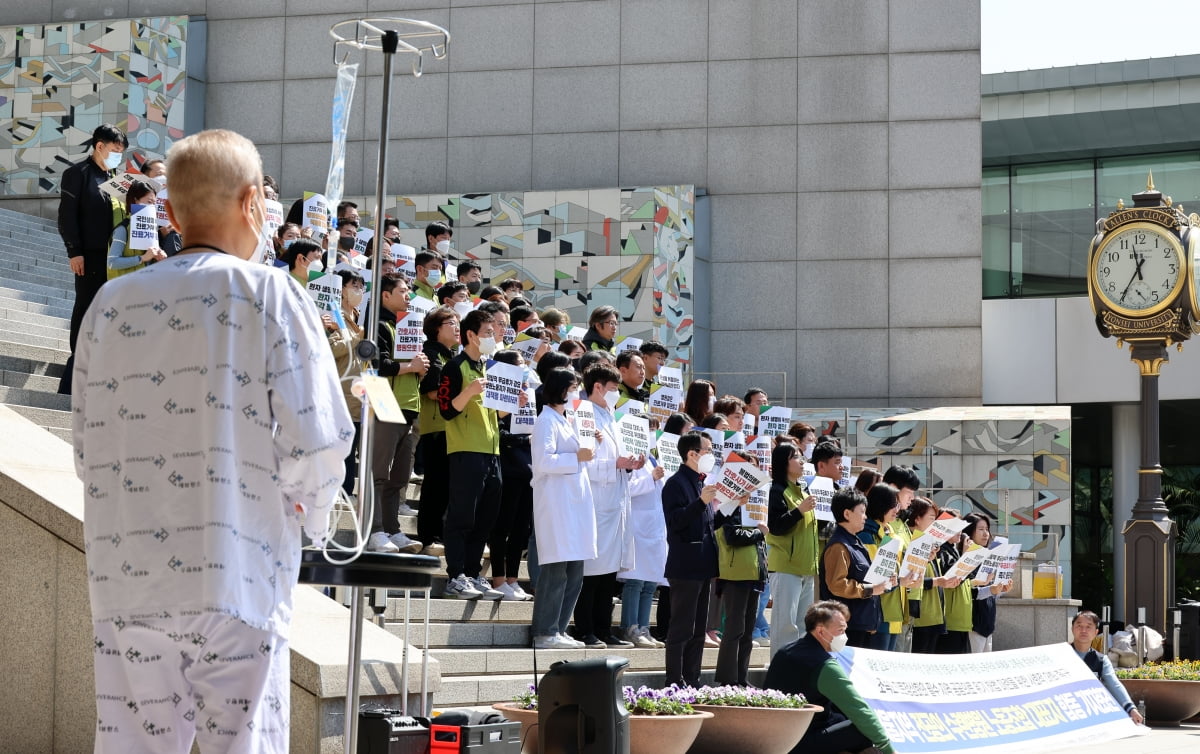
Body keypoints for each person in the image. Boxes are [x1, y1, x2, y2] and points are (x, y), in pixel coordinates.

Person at [73, 128, 353, 752]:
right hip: (238, 568)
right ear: (254, 201)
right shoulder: (274, 294)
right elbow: (320, 439)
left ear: (169, 211)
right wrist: (309, 516)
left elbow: (86, 446)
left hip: (128, 576)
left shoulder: (109, 305)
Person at [437, 309, 512, 600]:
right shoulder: (454, 367)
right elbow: (447, 409)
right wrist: (468, 391)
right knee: (462, 516)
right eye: (487, 333)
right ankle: (455, 576)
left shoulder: (491, 367)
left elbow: (498, 414)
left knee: (485, 520)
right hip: (465, 450)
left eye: (494, 333)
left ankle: (472, 574)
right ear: (470, 334)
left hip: (492, 451)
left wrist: (512, 404)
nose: (492, 338)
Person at [764, 601, 897, 754]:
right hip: (800, 743)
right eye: (840, 631)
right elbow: (858, 708)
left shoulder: (785, 651)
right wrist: (888, 749)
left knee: (841, 714)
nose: (844, 636)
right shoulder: (824, 664)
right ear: (820, 631)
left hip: (774, 738)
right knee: (863, 728)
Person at [58, 123, 129, 395]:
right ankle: (76, 368)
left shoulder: (117, 177)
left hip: (117, 258)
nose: (117, 156)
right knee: (86, 308)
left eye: (121, 152)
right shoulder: (77, 174)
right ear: (99, 146)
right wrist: (74, 251)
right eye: (114, 150)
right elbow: (66, 216)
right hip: (89, 256)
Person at [574, 363, 642, 648]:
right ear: (597, 387)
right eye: (613, 389)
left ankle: (605, 628)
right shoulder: (583, 413)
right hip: (596, 501)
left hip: (615, 501)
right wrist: (613, 464)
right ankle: (585, 628)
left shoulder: (611, 416)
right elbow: (583, 460)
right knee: (591, 572)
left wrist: (628, 464)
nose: (616, 394)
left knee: (609, 572)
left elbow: (616, 456)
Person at [530, 367, 595, 648]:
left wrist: (589, 448)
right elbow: (544, 461)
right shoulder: (546, 421)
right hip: (557, 505)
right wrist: (576, 456)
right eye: (571, 388)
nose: (575, 393)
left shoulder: (566, 420)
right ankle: (545, 631)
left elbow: (578, 456)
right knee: (556, 571)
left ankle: (560, 628)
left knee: (575, 573)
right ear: (558, 389)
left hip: (575, 505)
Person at [368, 274, 428, 553]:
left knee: (400, 476)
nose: (408, 296)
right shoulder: (378, 325)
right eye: (403, 291)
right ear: (385, 295)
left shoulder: (408, 326)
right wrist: (411, 367)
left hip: (409, 405)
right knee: (379, 472)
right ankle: (375, 530)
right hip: (384, 401)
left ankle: (392, 528)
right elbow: (378, 364)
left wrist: (421, 367)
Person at [662, 430, 719, 688]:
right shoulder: (675, 483)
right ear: (692, 454)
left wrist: (729, 508)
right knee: (682, 628)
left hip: (704, 563)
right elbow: (675, 522)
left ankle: (692, 679)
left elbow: (709, 523)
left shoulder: (700, 482)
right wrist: (700, 502)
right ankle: (675, 680)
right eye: (707, 450)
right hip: (685, 565)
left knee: (698, 630)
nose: (711, 455)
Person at [819, 487, 894, 648]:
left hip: (861, 625)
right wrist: (870, 589)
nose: (865, 517)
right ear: (847, 514)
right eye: (862, 512)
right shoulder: (839, 546)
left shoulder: (854, 543)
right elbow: (837, 585)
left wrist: (886, 581)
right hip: (846, 628)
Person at [766, 441, 819, 658]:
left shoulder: (802, 490)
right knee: (785, 627)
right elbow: (776, 527)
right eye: (795, 457)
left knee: (801, 627)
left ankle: (794, 675)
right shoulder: (777, 491)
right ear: (783, 463)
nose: (802, 460)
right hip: (786, 567)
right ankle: (779, 680)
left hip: (806, 567)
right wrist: (799, 511)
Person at [489, 348, 534, 601]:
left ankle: (513, 579)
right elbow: (498, 432)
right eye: (518, 365)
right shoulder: (498, 397)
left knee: (520, 529)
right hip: (507, 468)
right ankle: (498, 579)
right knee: (502, 526)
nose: (523, 368)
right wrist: (522, 439)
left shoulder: (528, 396)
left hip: (527, 470)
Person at [414, 306, 459, 557]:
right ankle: (428, 536)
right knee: (435, 484)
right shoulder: (431, 353)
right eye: (451, 323)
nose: (457, 328)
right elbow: (431, 391)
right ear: (436, 328)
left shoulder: (452, 355)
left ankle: (438, 534)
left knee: (445, 485)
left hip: (449, 427)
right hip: (435, 426)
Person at [713, 494, 767, 687]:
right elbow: (732, 536)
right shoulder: (731, 506)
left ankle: (741, 678)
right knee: (734, 629)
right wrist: (759, 533)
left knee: (747, 632)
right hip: (735, 575)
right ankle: (728, 680)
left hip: (754, 574)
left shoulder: (756, 506)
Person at [904, 498, 962, 653]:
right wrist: (938, 581)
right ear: (917, 519)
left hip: (935, 615)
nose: (934, 524)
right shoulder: (908, 541)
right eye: (931, 518)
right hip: (920, 614)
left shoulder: (930, 545)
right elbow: (909, 577)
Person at [858, 484, 911, 651]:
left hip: (893, 610)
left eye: (897, 504)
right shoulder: (867, 534)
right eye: (892, 504)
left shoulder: (889, 532)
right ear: (880, 504)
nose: (897, 509)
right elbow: (874, 574)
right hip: (877, 612)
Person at [1070, 611, 1144, 725]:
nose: (1083, 630)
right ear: (1072, 629)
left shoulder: (1101, 660)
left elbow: (1114, 684)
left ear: (1096, 632)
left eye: (1088, 627)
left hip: (1088, 714)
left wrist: (1131, 709)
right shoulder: (1062, 653)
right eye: (1079, 626)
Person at [961, 513, 1010, 652]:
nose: (986, 534)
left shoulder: (989, 557)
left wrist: (1001, 589)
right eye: (981, 529)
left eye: (987, 529)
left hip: (988, 623)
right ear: (969, 531)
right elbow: (969, 591)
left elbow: (990, 592)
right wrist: (991, 589)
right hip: (972, 623)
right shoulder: (965, 559)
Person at [106, 179, 167, 279]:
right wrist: (142, 258)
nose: (152, 207)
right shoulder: (123, 229)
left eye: (154, 203)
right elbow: (112, 262)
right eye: (149, 202)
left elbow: (151, 253)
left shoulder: (151, 227)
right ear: (135, 200)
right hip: (125, 288)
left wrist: (159, 253)